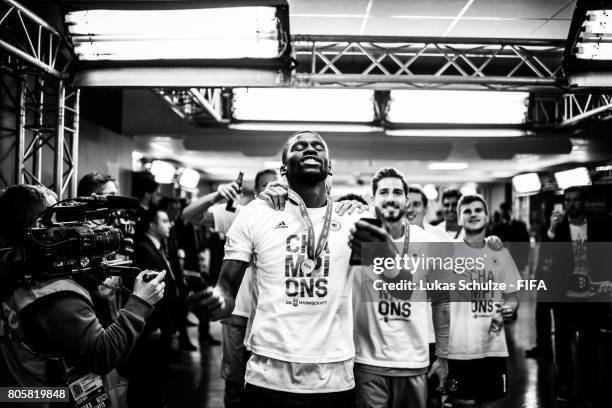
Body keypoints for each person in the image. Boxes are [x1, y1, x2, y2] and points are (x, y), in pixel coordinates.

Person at [190, 131, 366, 407]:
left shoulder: (355, 218)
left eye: (318, 146)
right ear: (283, 169)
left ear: (329, 165)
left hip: (334, 378)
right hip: (268, 377)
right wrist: (214, 303)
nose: (309, 149)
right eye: (299, 146)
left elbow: (396, 275)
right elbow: (226, 292)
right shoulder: (255, 214)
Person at [0, 184, 165, 408]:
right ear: (39, 227)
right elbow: (103, 354)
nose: (68, 226)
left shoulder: (12, 265)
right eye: (57, 217)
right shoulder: (54, 295)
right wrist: (141, 302)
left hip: (20, 393)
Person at [352, 168, 449, 408]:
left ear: (406, 199)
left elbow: (441, 303)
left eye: (397, 192)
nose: (391, 198)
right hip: (367, 361)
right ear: (373, 198)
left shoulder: (429, 243)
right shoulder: (356, 236)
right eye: (383, 192)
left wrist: (444, 356)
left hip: (413, 361)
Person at [183, 169, 280, 407]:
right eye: (265, 186)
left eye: (276, 184)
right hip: (238, 313)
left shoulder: (290, 219)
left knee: (265, 385)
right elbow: (189, 215)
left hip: (269, 318)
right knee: (234, 382)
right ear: (256, 192)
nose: (272, 189)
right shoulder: (241, 214)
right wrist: (217, 195)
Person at [445, 194, 520, 407]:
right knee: (462, 403)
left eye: (478, 210)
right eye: (467, 211)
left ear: (487, 216)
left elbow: (512, 297)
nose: (473, 214)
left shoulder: (501, 253)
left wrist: (510, 309)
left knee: (490, 403)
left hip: (492, 346)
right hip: (458, 348)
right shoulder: (447, 252)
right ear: (459, 219)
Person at [541, 187, 612, 405]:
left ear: (584, 202)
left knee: (588, 346)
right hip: (564, 296)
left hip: (590, 296)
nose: (572, 204)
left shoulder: (598, 226)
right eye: (568, 200)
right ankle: (565, 383)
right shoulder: (557, 229)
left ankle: (589, 389)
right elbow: (545, 257)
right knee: (562, 342)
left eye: (576, 200)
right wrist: (551, 230)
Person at [121, 206, 177, 408]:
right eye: (164, 221)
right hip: (153, 324)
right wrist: (152, 325)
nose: (169, 224)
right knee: (147, 371)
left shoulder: (159, 246)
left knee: (156, 370)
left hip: (164, 321)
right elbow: (146, 290)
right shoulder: (144, 249)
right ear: (152, 225)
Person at [490, 202, 530, 272]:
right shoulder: (497, 229)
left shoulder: (520, 226)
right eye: (502, 212)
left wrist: (524, 263)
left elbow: (526, 245)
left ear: (510, 212)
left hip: (518, 264)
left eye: (505, 212)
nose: (504, 215)